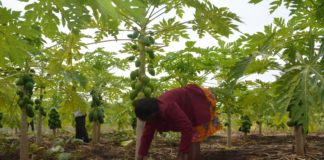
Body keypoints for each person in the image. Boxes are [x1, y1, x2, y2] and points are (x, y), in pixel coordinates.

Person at [133, 84, 221, 160]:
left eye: (146, 119)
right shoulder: (152, 115)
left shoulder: (168, 107)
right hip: (188, 104)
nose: (146, 122)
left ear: (152, 114)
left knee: (194, 137)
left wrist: (181, 154)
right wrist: (140, 156)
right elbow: (147, 135)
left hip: (199, 98)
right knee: (192, 138)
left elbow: (187, 127)